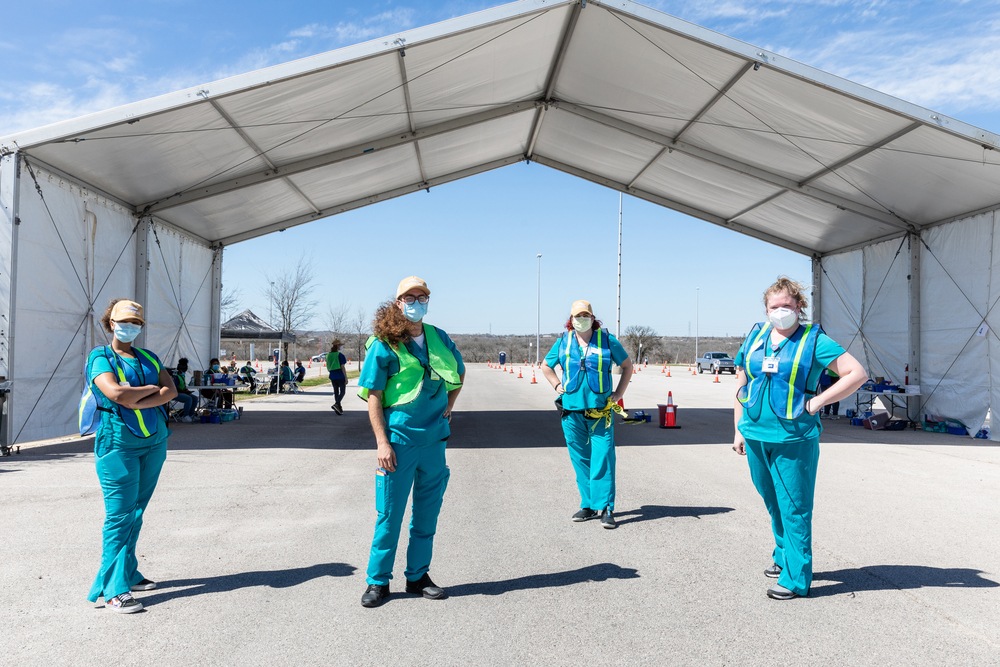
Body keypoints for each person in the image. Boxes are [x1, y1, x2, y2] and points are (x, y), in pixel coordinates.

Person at [732, 277, 867, 601]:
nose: (781, 312)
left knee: (794, 507)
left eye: (787, 306)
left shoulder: (812, 341)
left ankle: (796, 578)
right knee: (772, 501)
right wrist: (737, 426)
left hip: (794, 437)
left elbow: (856, 373)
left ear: (799, 308)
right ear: (766, 310)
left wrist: (817, 402)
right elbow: (741, 377)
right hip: (754, 434)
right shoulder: (756, 336)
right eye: (774, 307)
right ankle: (783, 557)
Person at [357, 276, 464, 608]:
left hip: (434, 441)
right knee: (389, 514)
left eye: (422, 297)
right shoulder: (384, 343)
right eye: (410, 297)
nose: (417, 302)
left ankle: (418, 576)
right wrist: (382, 442)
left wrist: (449, 405)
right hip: (399, 441)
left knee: (426, 515)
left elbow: (458, 373)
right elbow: (374, 396)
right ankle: (378, 581)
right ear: (399, 301)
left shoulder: (439, 337)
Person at [86, 298, 178, 613]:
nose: (129, 327)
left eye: (135, 323)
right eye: (123, 321)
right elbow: (113, 393)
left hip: (154, 442)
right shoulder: (100, 357)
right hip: (117, 446)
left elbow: (172, 391)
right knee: (119, 516)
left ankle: (127, 571)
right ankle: (113, 589)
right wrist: (150, 392)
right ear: (110, 323)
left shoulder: (149, 357)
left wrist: (134, 399)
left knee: (136, 513)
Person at [541, 300, 633, 530]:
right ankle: (589, 505)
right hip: (571, 410)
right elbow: (545, 366)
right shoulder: (563, 341)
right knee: (580, 458)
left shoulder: (607, 340)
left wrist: (618, 393)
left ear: (593, 318)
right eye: (576, 316)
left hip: (600, 410)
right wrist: (556, 385)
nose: (580, 319)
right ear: (570, 320)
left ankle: (606, 508)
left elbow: (627, 365)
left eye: (585, 315)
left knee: (603, 457)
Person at [170, 357, 198, 422]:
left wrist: (186, 391)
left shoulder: (182, 375)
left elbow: (182, 386)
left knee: (195, 398)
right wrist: (184, 392)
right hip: (175, 393)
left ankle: (191, 414)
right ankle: (185, 416)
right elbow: (175, 388)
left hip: (181, 392)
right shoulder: (175, 375)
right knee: (188, 398)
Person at [326, 340, 348, 414]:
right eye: (340, 345)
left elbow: (328, 367)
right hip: (340, 374)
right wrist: (346, 377)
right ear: (338, 346)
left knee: (336, 392)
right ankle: (337, 404)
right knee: (342, 391)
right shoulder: (339, 355)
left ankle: (338, 408)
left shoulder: (328, 355)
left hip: (332, 375)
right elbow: (342, 367)